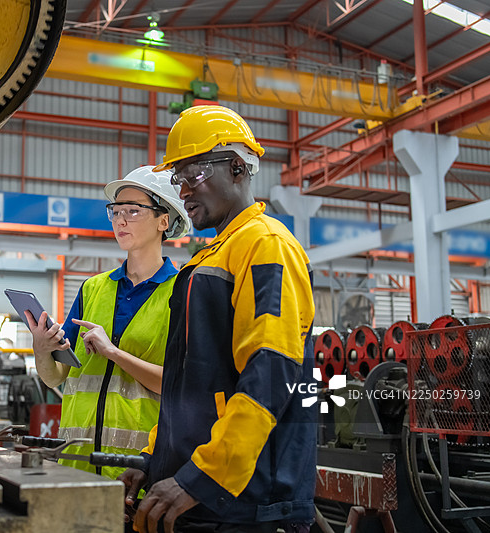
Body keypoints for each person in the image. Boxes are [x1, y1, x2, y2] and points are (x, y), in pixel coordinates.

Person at [119, 106, 317, 533]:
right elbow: (188, 386)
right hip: (200, 494)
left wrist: (204, 477)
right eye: (178, 179)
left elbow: (270, 373)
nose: (184, 191)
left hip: (244, 505)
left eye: (194, 174)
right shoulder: (208, 259)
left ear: (238, 168)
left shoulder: (266, 246)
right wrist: (153, 459)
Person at [26, 165, 190, 481]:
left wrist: (113, 353)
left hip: (137, 472)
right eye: (115, 211)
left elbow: (179, 385)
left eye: (133, 210)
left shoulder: (182, 292)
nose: (120, 220)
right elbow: (55, 377)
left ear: (164, 220)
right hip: (75, 465)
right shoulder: (93, 288)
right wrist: (41, 349)